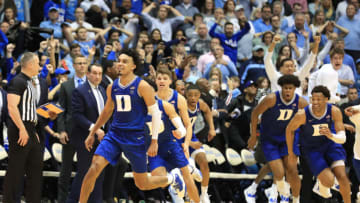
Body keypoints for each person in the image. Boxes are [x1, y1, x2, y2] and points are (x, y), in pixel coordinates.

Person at [79, 49, 183, 203]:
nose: (120, 64)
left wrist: (154, 141)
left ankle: (172, 178)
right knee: (94, 167)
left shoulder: (143, 86)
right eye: (119, 60)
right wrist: (92, 132)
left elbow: (156, 114)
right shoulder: (112, 86)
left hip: (136, 137)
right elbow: (107, 111)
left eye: (124, 61)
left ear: (133, 66)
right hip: (114, 135)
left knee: (142, 183)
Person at [247, 75, 308, 203]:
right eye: (285, 88)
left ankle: (289, 197)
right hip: (270, 139)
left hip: (288, 139)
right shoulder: (271, 99)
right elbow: (254, 114)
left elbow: (310, 120)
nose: (287, 91)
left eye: (290, 88)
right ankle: (273, 191)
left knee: (291, 169)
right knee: (279, 172)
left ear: (295, 89)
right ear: (281, 88)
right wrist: (253, 136)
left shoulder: (301, 102)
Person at [286, 86, 351, 203]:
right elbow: (289, 130)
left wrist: (331, 135)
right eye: (313, 99)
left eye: (318, 99)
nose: (315, 102)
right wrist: (291, 153)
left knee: (343, 178)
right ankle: (321, 184)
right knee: (329, 181)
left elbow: (342, 138)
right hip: (312, 149)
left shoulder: (334, 111)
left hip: (331, 145)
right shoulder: (302, 114)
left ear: (326, 99)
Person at [3, 52, 42, 202]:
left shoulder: (30, 82)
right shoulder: (18, 81)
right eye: (38, 63)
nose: (40, 66)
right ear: (30, 64)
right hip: (20, 129)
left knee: (36, 169)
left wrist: (33, 130)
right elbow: (12, 107)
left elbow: (30, 109)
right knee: (16, 169)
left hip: (30, 129)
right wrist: (22, 129)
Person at [145, 98, 200, 203]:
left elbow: (182, 129)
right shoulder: (136, 109)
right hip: (154, 151)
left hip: (170, 146)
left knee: (187, 177)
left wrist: (180, 132)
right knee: (160, 181)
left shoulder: (165, 105)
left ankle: (190, 169)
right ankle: (173, 178)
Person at [66, 64, 107, 203]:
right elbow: (77, 116)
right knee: (85, 173)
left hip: (102, 140)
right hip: (84, 138)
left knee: (99, 174)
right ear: (88, 74)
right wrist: (95, 129)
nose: (97, 76)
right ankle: (73, 201)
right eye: (94, 73)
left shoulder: (103, 90)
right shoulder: (80, 91)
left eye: (100, 73)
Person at [57, 55, 87, 203]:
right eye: (79, 63)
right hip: (69, 132)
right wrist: (61, 130)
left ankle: (82, 199)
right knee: (66, 170)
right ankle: (62, 200)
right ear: (74, 66)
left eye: (84, 63)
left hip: (88, 134)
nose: (82, 65)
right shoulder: (66, 86)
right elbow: (60, 110)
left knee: (85, 169)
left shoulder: (93, 84)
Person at [182, 84, 216, 203]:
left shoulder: (200, 104)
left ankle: (204, 194)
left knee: (204, 163)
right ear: (186, 95)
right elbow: (172, 130)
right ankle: (188, 195)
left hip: (192, 137)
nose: (193, 98)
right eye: (190, 95)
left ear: (199, 96)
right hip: (178, 140)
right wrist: (189, 143)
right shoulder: (180, 105)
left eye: (195, 95)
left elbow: (207, 111)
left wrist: (212, 128)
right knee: (188, 169)